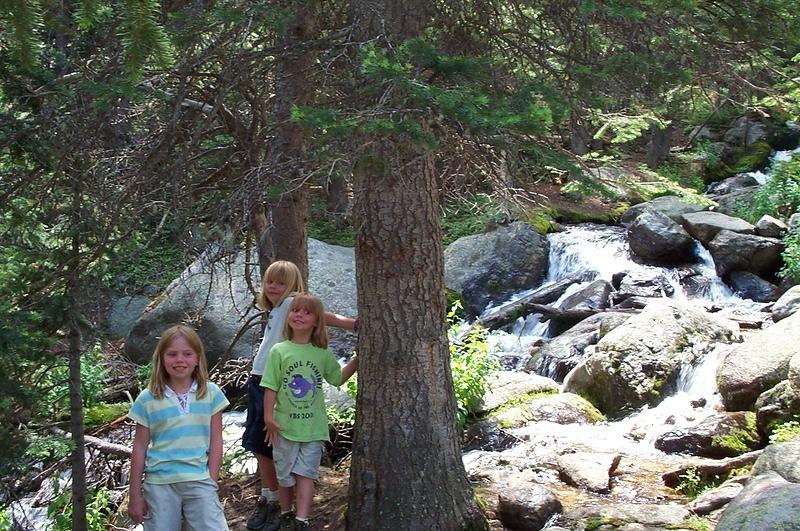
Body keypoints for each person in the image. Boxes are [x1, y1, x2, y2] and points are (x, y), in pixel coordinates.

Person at [243, 261, 356, 530]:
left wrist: (353, 324)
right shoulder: (275, 309)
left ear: (293, 288)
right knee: (260, 445)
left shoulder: (289, 303)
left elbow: (323, 315)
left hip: (270, 383)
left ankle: (274, 503)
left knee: (266, 445)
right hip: (260, 380)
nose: (273, 287)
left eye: (281, 283)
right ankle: (270, 499)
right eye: (270, 281)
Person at [127, 325, 230, 531]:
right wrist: (134, 495)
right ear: (162, 359)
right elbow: (139, 448)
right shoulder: (147, 399)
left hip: (199, 479)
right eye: (172, 354)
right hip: (160, 484)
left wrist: (212, 479)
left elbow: (216, 441)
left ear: (197, 358)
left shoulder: (211, 394)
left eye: (187, 354)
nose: (180, 360)